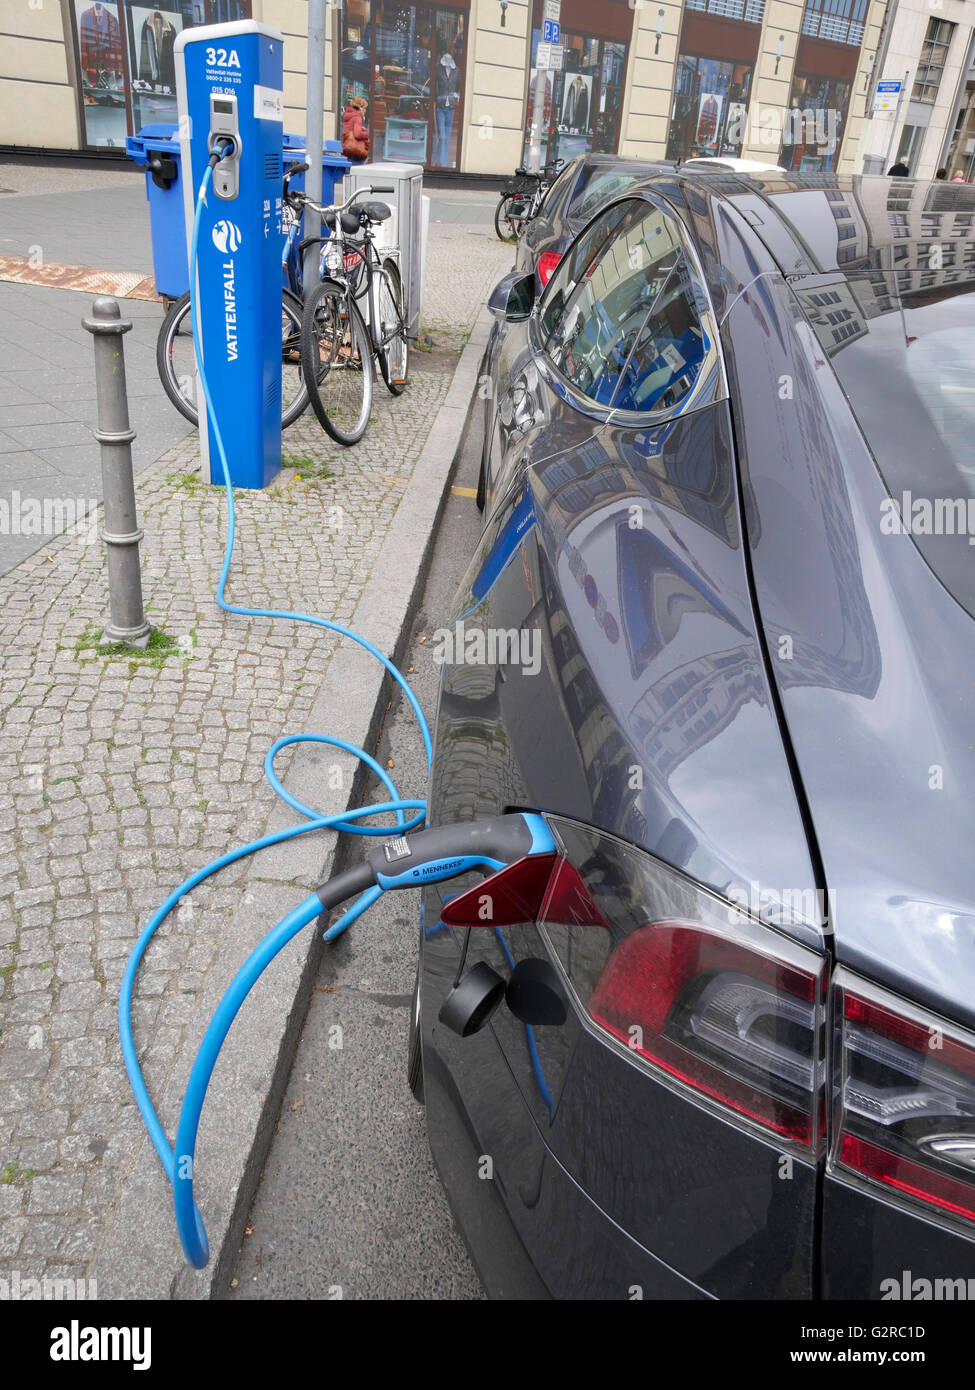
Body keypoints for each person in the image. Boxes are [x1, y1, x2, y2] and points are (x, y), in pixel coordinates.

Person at [434, 53, 459, 167]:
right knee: (442, 137)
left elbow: (458, 87)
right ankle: (441, 162)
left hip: (451, 107)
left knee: (447, 137)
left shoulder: (456, 71)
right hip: (441, 106)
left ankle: (442, 161)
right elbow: (435, 86)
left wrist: (456, 97)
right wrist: (436, 99)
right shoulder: (438, 69)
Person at [342, 95, 370, 162]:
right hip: (355, 151)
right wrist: (366, 132)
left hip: (348, 148)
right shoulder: (357, 117)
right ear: (360, 108)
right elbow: (357, 134)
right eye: (364, 108)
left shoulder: (349, 115)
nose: (365, 110)